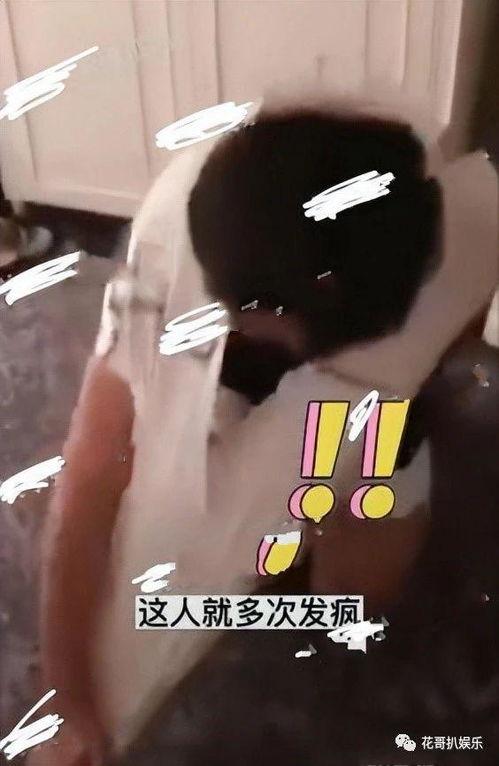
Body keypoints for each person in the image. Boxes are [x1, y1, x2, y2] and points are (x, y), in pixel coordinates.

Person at [31, 88, 497, 765]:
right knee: (164, 577)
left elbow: (454, 324)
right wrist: (69, 693)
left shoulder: (445, 240)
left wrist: (362, 466)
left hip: (365, 396)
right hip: (235, 358)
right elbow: (93, 469)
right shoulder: (172, 254)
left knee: (350, 605)